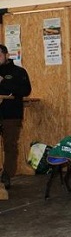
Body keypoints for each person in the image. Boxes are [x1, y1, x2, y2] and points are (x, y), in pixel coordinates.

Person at [0, 44, 32, 189]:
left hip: (11, 113)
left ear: (7, 55)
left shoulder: (18, 72)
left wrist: (4, 82)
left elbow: (25, 90)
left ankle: (7, 175)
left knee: (10, 144)